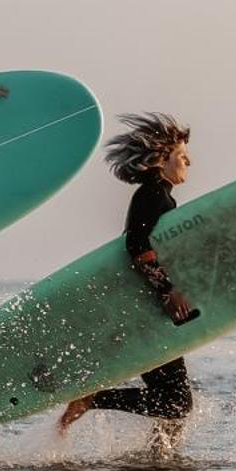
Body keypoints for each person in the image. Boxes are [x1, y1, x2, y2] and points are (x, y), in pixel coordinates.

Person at [59, 113, 200, 442]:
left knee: (171, 404)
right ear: (159, 160)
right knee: (177, 403)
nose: (188, 161)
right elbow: (137, 244)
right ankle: (93, 398)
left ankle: (158, 465)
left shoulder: (160, 195)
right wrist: (167, 290)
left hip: (144, 311)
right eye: (181, 156)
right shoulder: (153, 195)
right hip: (144, 313)